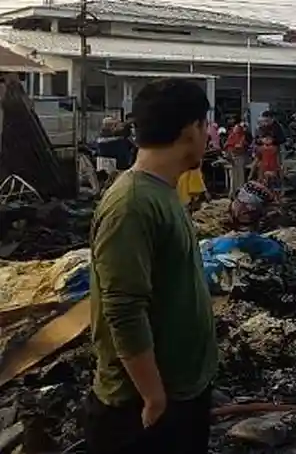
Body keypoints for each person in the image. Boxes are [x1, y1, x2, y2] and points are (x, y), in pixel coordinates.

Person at [85, 79, 216, 453]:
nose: (208, 135)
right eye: (205, 125)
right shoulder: (131, 204)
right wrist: (153, 395)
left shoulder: (161, 191)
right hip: (142, 410)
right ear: (190, 130)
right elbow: (123, 308)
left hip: (178, 394)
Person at [223, 121, 249, 197]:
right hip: (233, 157)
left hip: (240, 157)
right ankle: (233, 194)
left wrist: (238, 149)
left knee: (240, 176)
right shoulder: (231, 136)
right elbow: (227, 147)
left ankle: (240, 193)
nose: (237, 131)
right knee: (233, 177)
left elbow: (244, 147)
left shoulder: (243, 136)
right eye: (236, 129)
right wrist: (230, 156)